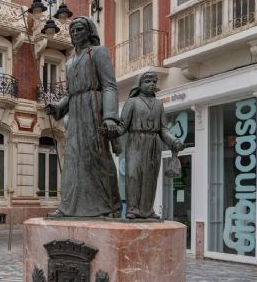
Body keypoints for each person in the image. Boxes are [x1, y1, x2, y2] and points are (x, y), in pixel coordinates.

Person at [45, 16, 121, 218]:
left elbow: (110, 86)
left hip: (94, 109)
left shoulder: (98, 53)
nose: (75, 34)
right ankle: (68, 207)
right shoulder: (69, 63)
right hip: (76, 113)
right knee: (72, 160)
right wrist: (58, 107)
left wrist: (110, 116)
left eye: (79, 30)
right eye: (72, 31)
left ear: (89, 32)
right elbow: (70, 93)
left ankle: (109, 207)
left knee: (97, 156)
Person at [119, 72, 185, 219]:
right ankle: (133, 209)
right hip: (135, 141)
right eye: (148, 81)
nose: (152, 84)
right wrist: (110, 129)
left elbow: (163, 129)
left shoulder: (159, 104)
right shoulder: (132, 102)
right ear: (139, 84)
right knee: (133, 175)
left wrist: (174, 141)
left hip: (154, 143)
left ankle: (147, 210)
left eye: (154, 82)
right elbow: (122, 126)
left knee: (150, 178)